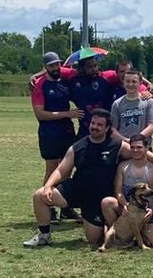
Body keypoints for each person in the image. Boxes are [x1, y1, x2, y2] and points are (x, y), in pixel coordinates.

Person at [24, 109, 121, 249]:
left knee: (93, 240)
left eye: (100, 125)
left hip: (98, 199)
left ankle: (104, 225)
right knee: (39, 196)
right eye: (93, 123)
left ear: (107, 128)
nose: (95, 127)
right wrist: (48, 186)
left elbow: (139, 152)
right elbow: (60, 170)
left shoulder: (116, 145)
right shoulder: (78, 147)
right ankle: (43, 235)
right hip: (76, 189)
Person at [29, 52, 82, 208]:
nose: (55, 68)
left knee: (67, 169)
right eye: (51, 65)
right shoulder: (40, 85)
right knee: (52, 169)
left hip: (66, 130)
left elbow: (80, 72)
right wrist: (68, 114)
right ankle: (47, 205)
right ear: (45, 67)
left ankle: (65, 206)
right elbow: (40, 114)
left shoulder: (64, 79)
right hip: (49, 132)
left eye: (57, 64)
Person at [106, 134, 153, 247]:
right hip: (127, 210)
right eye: (133, 147)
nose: (135, 150)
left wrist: (152, 210)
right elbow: (118, 191)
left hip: (146, 211)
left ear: (147, 148)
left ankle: (135, 235)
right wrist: (124, 204)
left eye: (139, 147)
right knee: (107, 202)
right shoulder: (123, 166)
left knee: (151, 241)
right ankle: (118, 234)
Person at [111, 69, 153, 149]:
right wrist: (126, 140)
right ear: (123, 82)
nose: (130, 84)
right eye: (127, 81)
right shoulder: (117, 104)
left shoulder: (148, 102)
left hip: (143, 146)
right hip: (124, 146)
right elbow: (113, 129)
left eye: (134, 81)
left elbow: (151, 126)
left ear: (140, 83)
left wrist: (137, 139)